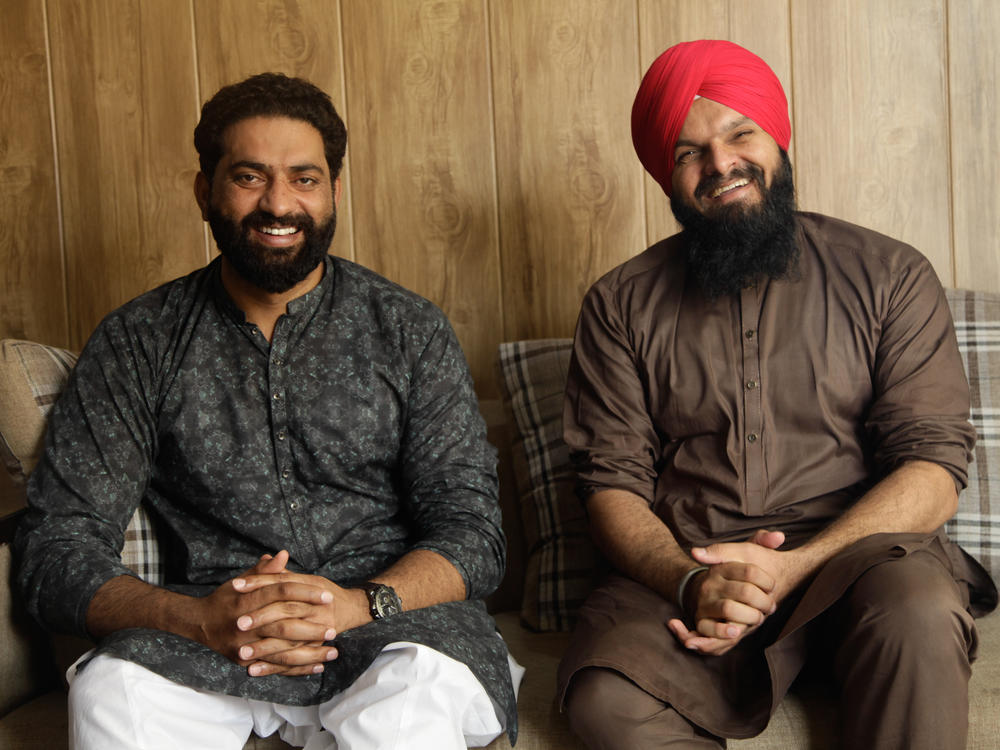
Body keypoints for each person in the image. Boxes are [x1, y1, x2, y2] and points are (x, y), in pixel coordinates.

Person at [15, 73, 521, 750]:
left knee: (411, 712)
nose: (279, 203)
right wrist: (200, 619)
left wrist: (352, 606)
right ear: (206, 191)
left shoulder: (409, 330)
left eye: (304, 179)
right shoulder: (139, 341)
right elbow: (56, 547)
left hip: (398, 635)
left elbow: (473, 533)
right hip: (208, 636)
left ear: (334, 191)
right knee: (113, 697)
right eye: (250, 177)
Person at [557, 40, 997, 749]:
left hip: (866, 561)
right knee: (606, 698)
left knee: (918, 613)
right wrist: (689, 581)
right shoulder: (619, 304)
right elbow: (610, 485)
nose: (721, 164)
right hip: (696, 567)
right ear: (665, 176)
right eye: (688, 152)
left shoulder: (891, 275)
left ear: (778, 139)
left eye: (740, 134)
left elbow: (934, 470)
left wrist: (795, 566)